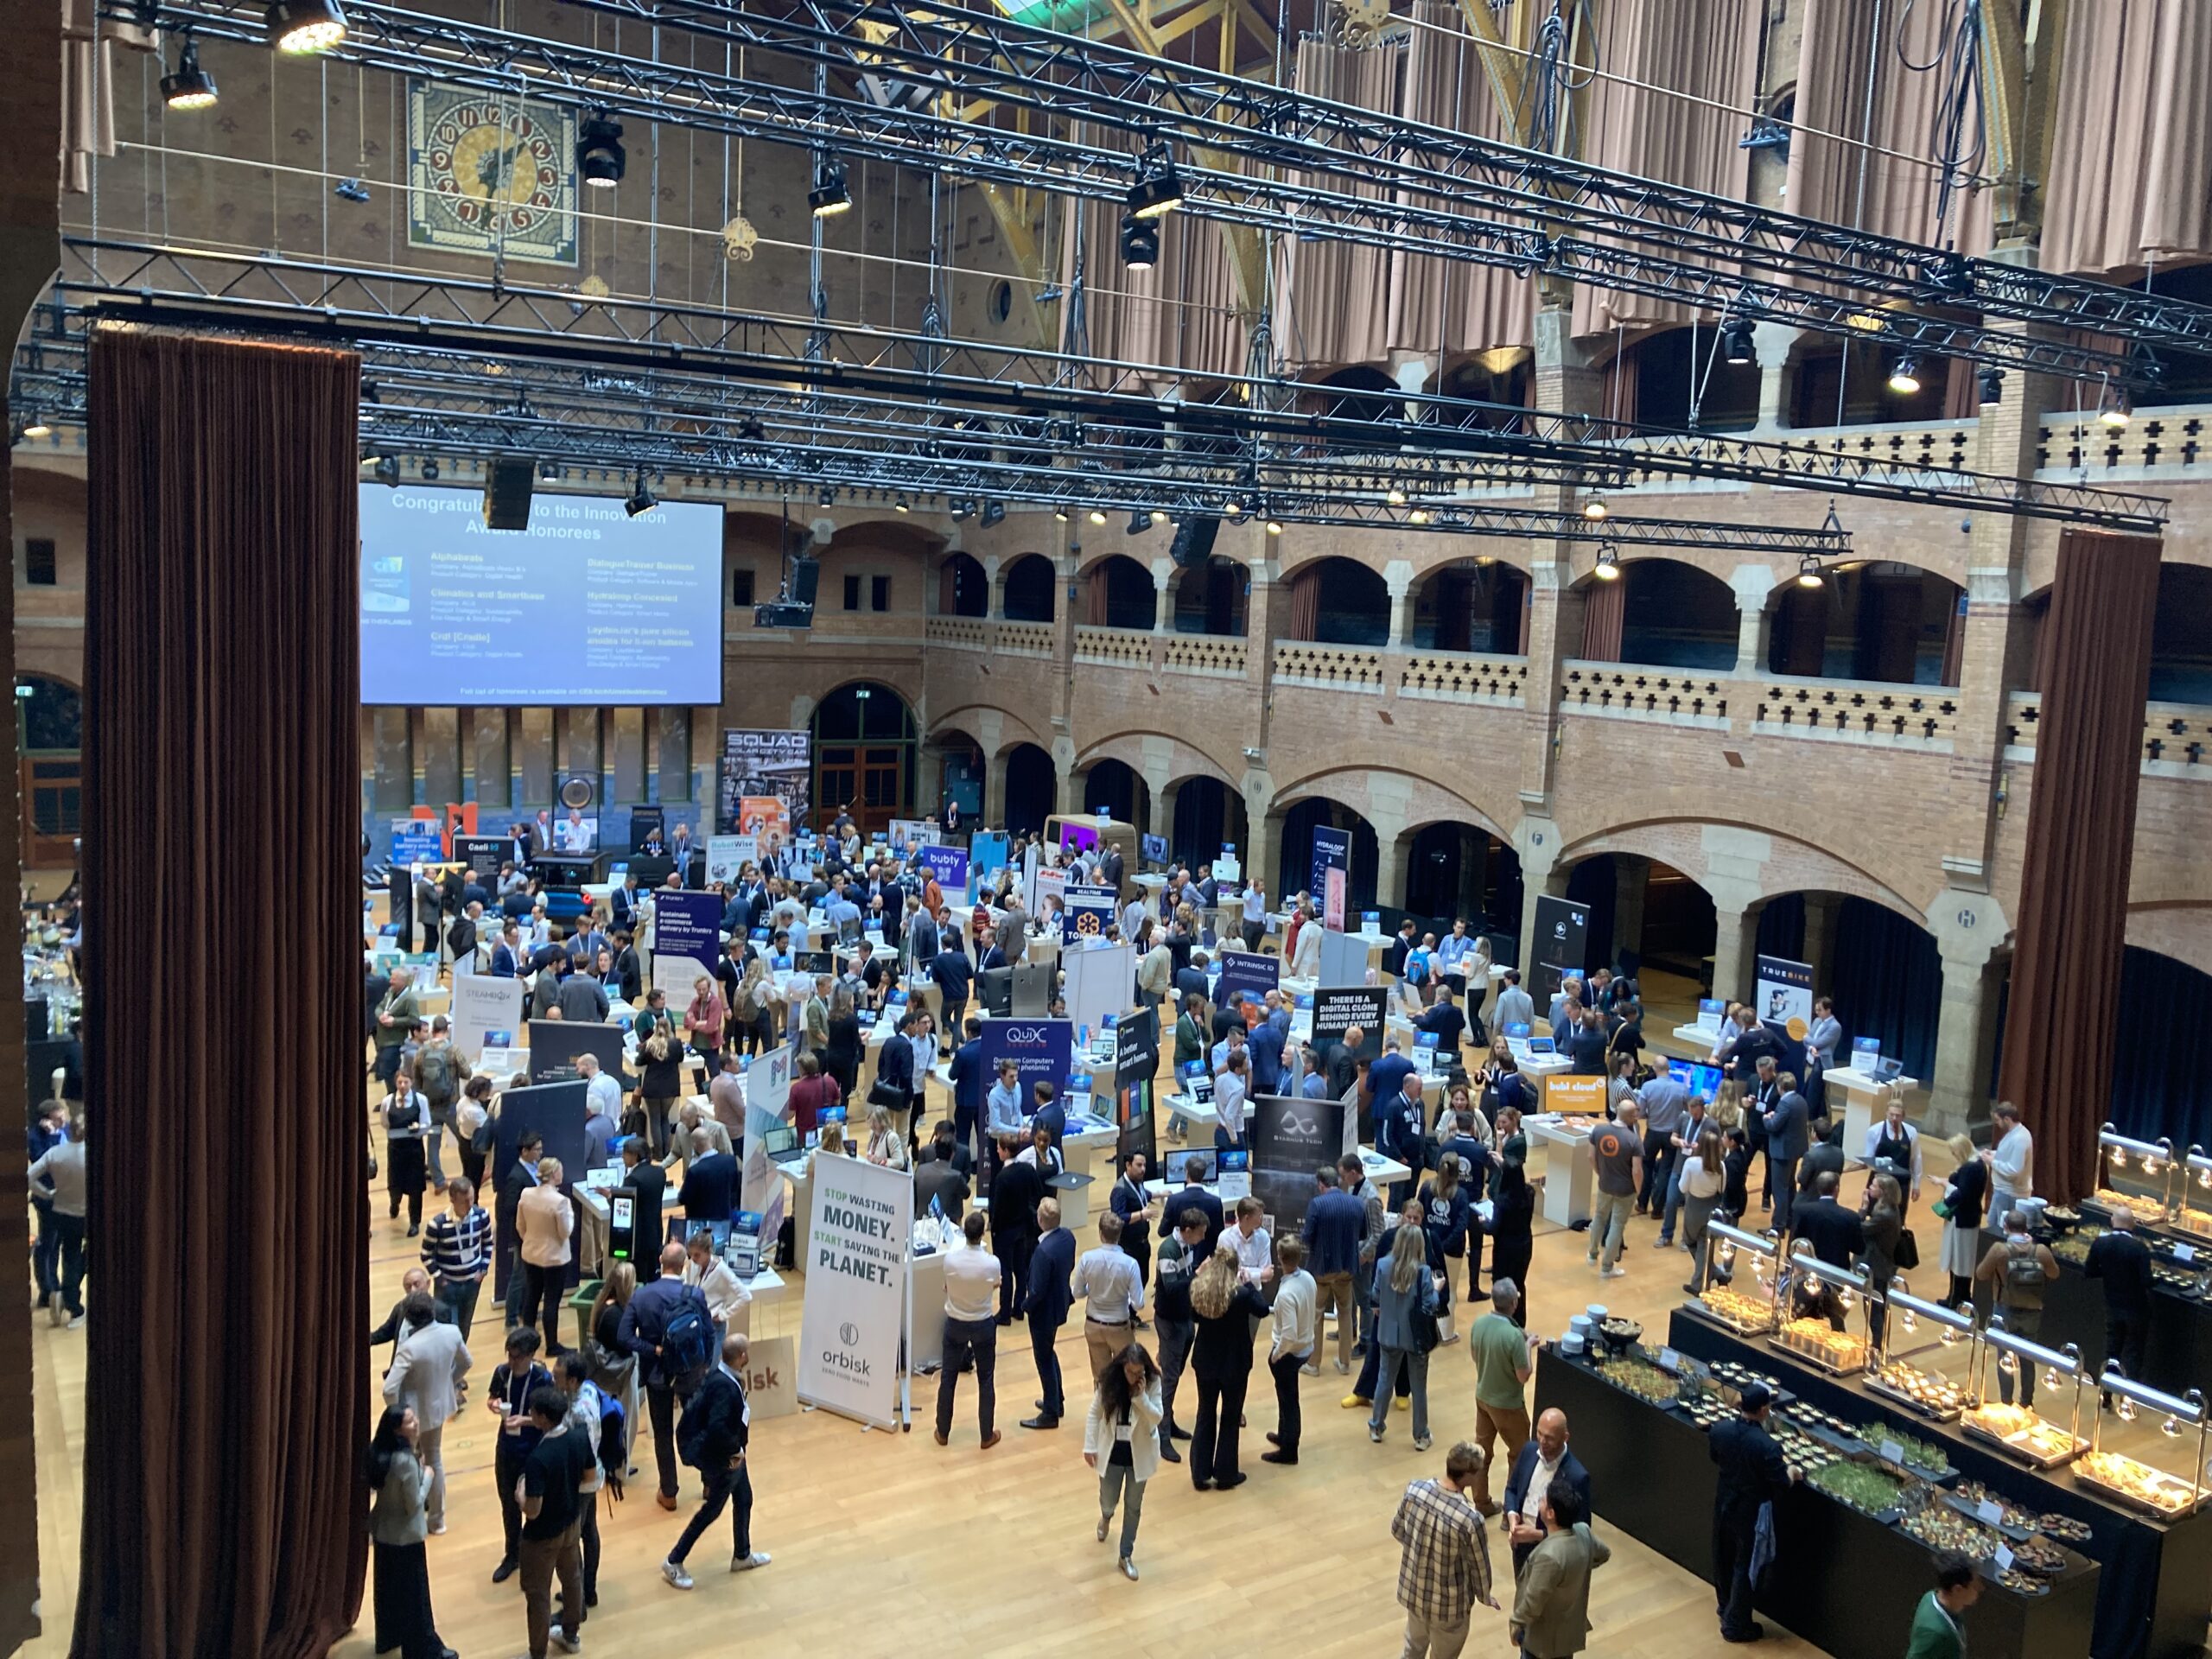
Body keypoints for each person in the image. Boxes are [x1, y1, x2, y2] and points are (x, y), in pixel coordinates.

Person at [660, 1334, 768, 1587]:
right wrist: (735, 1451)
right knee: (711, 1511)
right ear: (742, 1356)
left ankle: (742, 1555)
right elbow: (717, 1427)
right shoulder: (724, 1387)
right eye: (747, 1351)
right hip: (725, 1457)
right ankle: (673, 1560)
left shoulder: (720, 1374)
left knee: (744, 1498)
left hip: (731, 1453)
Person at [621, 1243, 715, 1512]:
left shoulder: (642, 1295)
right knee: (698, 1425)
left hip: (657, 1375)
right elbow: (708, 1333)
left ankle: (669, 1492)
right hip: (690, 1372)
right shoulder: (695, 1293)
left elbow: (624, 1336)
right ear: (684, 1265)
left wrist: (652, 1349)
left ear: (660, 1260)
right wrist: (704, 1365)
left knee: (662, 1433)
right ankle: (709, 1484)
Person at [1390, 1440, 1500, 1659]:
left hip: (1415, 1592)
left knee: (1412, 1648)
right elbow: (1479, 1567)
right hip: (1449, 1607)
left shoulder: (1414, 1491)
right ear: (1468, 1476)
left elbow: (1397, 1530)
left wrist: (1420, 1550)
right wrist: (1485, 1596)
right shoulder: (1470, 1519)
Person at [1709, 1382, 1796, 1644]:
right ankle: (1736, 1624)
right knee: (1745, 1564)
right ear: (1764, 1410)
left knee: (1723, 1554)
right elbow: (1781, 1482)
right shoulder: (1767, 1447)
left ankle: (1725, 1606)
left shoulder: (1720, 1430)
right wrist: (1792, 1473)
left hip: (1724, 1500)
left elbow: (1716, 1457)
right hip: (1751, 1511)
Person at [366, 1406, 455, 1659]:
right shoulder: (405, 1461)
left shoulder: (379, 1453)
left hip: (383, 1532)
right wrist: (427, 1476)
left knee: (388, 1592)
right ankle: (423, 1649)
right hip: (406, 1537)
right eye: (410, 1421)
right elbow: (413, 1504)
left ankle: (389, 1637)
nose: (416, 1422)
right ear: (397, 1430)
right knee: (415, 1598)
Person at [381, 1292, 473, 1536]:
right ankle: (437, 1521)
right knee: (434, 1459)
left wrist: (399, 1413)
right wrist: (448, 1381)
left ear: (409, 1319)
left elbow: (389, 1388)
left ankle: (409, 1509)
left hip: (412, 1414)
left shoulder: (409, 1348)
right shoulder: (452, 1333)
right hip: (439, 1407)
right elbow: (467, 1362)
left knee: (409, 1460)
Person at [515, 1384, 594, 1656]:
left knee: (538, 1594)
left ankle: (537, 1652)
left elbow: (532, 1510)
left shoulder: (538, 1459)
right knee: (572, 1579)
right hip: (572, 1524)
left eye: (533, 1412)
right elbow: (590, 1478)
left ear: (543, 1418)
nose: (530, 1415)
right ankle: (571, 1635)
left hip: (542, 1536)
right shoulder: (579, 1437)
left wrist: (520, 1492)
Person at [1187, 1244, 1268, 1490]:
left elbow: (1193, 1317)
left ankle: (1200, 1472)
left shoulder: (1199, 1290)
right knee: (1231, 1417)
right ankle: (1226, 1473)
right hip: (1235, 1364)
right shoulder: (1241, 1295)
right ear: (1235, 1269)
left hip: (1205, 1361)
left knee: (1205, 1413)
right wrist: (1250, 1283)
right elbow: (1263, 1309)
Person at [1084, 1342, 1164, 1580]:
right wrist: (1089, 1446)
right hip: (1113, 1454)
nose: (1134, 1377)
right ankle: (1106, 1515)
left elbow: (1157, 1417)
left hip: (1139, 1453)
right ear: (1122, 1367)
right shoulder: (1109, 1382)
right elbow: (1094, 1413)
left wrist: (1141, 1398)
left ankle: (1125, 1555)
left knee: (1133, 1506)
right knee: (1109, 1498)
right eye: (1130, 1371)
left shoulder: (1152, 1383)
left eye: (1139, 1372)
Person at [1510, 1478, 1611, 1659]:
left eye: (1543, 1500)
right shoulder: (1583, 1531)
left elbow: (1533, 1603)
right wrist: (1578, 1567)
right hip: (1568, 1632)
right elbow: (1604, 1554)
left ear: (1551, 1513)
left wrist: (1516, 1624)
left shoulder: (1549, 1556)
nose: (1540, 1501)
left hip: (1544, 1640)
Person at [486, 1327, 556, 1585]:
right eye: (509, 1355)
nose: (512, 1361)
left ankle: (535, 1556)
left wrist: (524, 1420)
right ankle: (512, 1554)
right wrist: (494, 1404)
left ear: (530, 1355)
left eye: (517, 1357)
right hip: (506, 1447)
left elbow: (551, 1418)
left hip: (533, 1451)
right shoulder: (502, 1373)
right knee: (508, 1503)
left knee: (534, 1505)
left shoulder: (542, 1379)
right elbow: (492, 1397)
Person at [1370, 1221, 1444, 1451]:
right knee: (1418, 1387)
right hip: (1416, 1337)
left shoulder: (1383, 1264)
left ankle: (1376, 1426)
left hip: (1387, 1333)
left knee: (1384, 1380)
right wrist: (1437, 1290)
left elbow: (1375, 1295)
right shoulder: (1423, 1272)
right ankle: (1421, 1435)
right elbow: (1431, 1305)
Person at [1468, 1279, 1536, 1516]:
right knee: (1520, 1456)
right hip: (1508, 1405)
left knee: (1482, 1453)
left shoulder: (1479, 1323)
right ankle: (1511, 1512)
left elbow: (1475, 1357)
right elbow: (1523, 1375)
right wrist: (1528, 1345)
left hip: (1482, 1398)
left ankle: (1481, 1503)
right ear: (1514, 1303)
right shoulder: (1514, 1336)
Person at [936, 1210, 1004, 1448]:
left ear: (964, 1232)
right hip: (982, 1323)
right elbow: (996, 1284)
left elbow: (947, 1286)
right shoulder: (992, 1263)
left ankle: (942, 1432)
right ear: (983, 1233)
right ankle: (986, 1435)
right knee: (986, 1379)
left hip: (955, 1322)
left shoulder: (951, 1260)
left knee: (948, 1377)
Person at [1977, 1221, 2060, 1407]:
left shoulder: (2000, 1250)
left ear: (2006, 1227)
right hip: (2032, 1310)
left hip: (2004, 1309)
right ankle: (2027, 1403)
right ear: (2026, 1228)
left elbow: (1981, 1274)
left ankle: (2006, 1402)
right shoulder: (2041, 1251)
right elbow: (2054, 1273)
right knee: (2028, 1358)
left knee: (2004, 1357)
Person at [1501, 1408, 1590, 1579]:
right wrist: (1512, 1515)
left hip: (1551, 1552)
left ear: (1565, 1438)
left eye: (1549, 1438)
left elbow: (1581, 1531)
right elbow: (1512, 1489)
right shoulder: (1529, 1450)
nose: (1542, 1441)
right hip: (1520, 1545)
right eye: (1539, 1433)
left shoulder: (1577, 1477)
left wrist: (1539, 1535)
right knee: (1522, 1589)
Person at [2088, 1202, 2154, 1407]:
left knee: (2112, 1351)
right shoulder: (2139, 1249)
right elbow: (2147, 1281)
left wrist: (2109, 1274)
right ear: (2133, 1225)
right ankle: (2128, 1399)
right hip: (2136, 1309)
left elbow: (2089, 1271)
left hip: (2112, 1306)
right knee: (2133, 1354)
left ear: (2112, 1221)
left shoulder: (2100, 1243)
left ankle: (2106, 1395)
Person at [1302, 1166, 1365, 1374]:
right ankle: (1345, 1363)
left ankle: (1313, 1364)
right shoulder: (1357, 1203)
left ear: (1321, 1185)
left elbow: (1307, 1237)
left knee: (1316, 1315)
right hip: (1347, 1267)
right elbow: (1363, 1234)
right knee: (1346, 1312)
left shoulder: (1317, 1204)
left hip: (1322, 1269)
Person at [1023, 1196, 1077, 1429]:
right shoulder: (1068, 1236)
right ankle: (1056, 1400)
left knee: (1043, 1358)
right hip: (1059, 1303)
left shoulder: (1043, 1252)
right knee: (1049, 1352)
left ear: (1040, 1219)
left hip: (1043, 1313)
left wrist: (1025, 1306)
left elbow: (1036, 1290)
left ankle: (1050, 1413)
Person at [27, 1121, 87, 1328]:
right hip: (88, 1213)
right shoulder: (93, 1154)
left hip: (63, 1212)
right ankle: (70, 1298)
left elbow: (29, 1176)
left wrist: (46, 1193)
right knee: (85, 1257)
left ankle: (70, 1301)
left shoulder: (55, 1153)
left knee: (70, 1255)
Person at [1263, 1235, 1317, 1464]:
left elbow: (1289, 1335)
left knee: (1289, 1401)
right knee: (1286, 1397)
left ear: (1280, 1258)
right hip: (1305, 1346)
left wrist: (1276, 1355)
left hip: (1289, 1353)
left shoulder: (1286, 1295)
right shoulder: (1307, 1278)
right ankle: (1284, 1436)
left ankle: (1289, 1451)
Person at [517, 1156, 575, 1357]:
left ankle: (526, 1342)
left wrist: (531, 1241)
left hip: (531, 1253)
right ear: (554, 1174)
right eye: (560, 1171)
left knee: (532, 1296)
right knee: (551, 1301)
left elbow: (520, 1226)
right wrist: (570, 1215)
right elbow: (565, 1232)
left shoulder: (526, 1194)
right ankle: (552, 1345)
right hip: (555, 1258)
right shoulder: (560, 1202)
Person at [990, 1135, 1046, 1324]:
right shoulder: (1027, 1169)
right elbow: (1038, 1193)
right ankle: (1019, 1308)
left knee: (1005, 1272)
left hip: (1005, 1231)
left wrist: (994, 1229)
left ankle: (1004, 1313)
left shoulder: (1002, 1177)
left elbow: (997, 1209)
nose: (997, 1150)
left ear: (1006, 1151)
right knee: (1021, 1269)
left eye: (999, 1148)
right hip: (1023, 1229)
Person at [1419, 1154, 1475, 1338]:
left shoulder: (1426, 1187)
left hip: (1427, 1247)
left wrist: (1429, 1243)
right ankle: (1446, 1334)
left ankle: (1427, 1328)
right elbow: (1461, 1226)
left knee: (1428, 1286)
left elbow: (1419, 1215)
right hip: (1451, 1251)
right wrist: (1443, 1246)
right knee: (1449, 1290)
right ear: (1458, 1172)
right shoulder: (1461, 1195)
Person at [1583, 1105, 1641, 1281]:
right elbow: (1637, 1171)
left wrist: (1600, 1173)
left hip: (1605, 1185)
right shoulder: (1633, 1140)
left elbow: (1590, 1156)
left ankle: (1592, 1254)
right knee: (1617, 1225)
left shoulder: (1598, 1130)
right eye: (1635, 1115)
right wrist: (1638, 1190)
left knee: (1599, 1218)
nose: (1637, 1117)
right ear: (1629, 1117)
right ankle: (1607, 1268)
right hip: (1625, 1189)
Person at [1936, 1132, 1988, 1307]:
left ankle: (1956, 1299)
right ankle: (1961, 1296)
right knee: (1964, 1259)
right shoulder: (1978, 1164)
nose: (1953, 1156)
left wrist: (1943, 1205)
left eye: (1954, 1152)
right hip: (1970, 1217)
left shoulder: (1970, 1168)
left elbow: (1962, 1194)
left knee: (1959, 1259)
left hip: (1962, 1218)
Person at [1485, 1156, 1535, 1332]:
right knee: (1519, 1283)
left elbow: (1492, 1228)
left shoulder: (1502, 1201)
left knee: (1502, 1287)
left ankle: (1504, 1321)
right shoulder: (1529, 1193)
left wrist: (1483, 1221)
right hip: (1524, 1245)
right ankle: (1520, 1322)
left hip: (1505, 1250)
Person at [684, 1227, 751, 1356]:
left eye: (697, 1255)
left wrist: (723, 1315)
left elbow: (746, 1296)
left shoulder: (722, 1270)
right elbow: (688, 1286)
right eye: (690, 1254)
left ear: (708, 1252)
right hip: (695, 1322)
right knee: (697, 1363)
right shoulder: (693, 1265)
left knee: (712, 1365)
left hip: (714, 1326)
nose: (693, 1258)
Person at [382, 1069, 433, 1236]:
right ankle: (394, 1203)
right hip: (395, 1150)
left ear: (411, 1082)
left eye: (406, 1082)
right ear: (395, 1083)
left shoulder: (421, 1100)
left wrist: (418, 1129)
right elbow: (385, 1123)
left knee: (415, 1188)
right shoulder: (387, 1101)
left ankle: (414, 1222)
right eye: (399, 1082)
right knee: (394, 1184)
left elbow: (426, 1123)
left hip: (414, 1151)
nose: (403, 1085)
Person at [1760, 1069, 1811, 1233]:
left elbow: (1774, 1126)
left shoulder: (1785, 1103)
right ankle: (1790, 1220)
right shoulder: (1800, 1100)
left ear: (1780, 1087)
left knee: (1779, 1190)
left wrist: (1766, 1119)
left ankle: (1778, 1227)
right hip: (1795, 1151)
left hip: (1782, 1153)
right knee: (1789, 1187)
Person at [1678, 1129, 1728, 1294]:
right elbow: (1722, 1189)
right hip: (1711, 1207)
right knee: (1703, 1245)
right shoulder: (1721, 1166)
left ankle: (1698, 1284)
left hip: (1694, 1206)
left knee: (1690, 1241)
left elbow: (1682, 1187)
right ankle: (1717, 1274)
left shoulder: (1691, 1163)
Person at [1906, 1553, 1982, 1659]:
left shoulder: (1931, 1596)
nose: (1981, 1588)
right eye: (1975, 1586)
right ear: (1957, 1590)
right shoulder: (1935, 1633)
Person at [1986, 1101, 2035, 1230]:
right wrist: (1992, 1154)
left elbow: (2014, 1170)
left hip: (2009, 1193)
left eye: (1998, 1120)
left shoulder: (2020, 1138)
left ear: (2007, 1119)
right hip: (2003, 1191)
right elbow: (2008, 1155)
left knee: (2000, 1229)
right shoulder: (2015, 1133)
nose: (1997, 1123)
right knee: (1992, 1224)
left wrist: (1991, 1162)